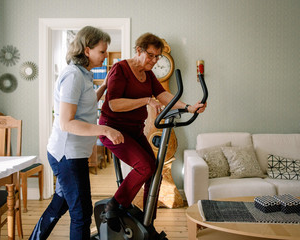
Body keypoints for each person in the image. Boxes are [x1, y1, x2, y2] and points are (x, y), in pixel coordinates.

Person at [98, 32, 206, 232]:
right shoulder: (120, 69)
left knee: (153, 172)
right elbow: (114, 104)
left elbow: (164, 95)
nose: (155, 61)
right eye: (151, 55)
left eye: (157, 57)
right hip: (112, 129)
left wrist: (189, 107)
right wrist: (146, 100)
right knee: (145, 166)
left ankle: (148, 222)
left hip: (135, 130)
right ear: (138, 50)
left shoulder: (148, 74)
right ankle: (112, 206)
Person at [29, 26, 124, 240]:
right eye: (102, 51)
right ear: (87, 50)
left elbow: (86, 105)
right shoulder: (73, 76)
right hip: (67, 156)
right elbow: (67, 123)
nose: (105, 56)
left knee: (59, 205)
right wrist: (106, 129)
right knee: (81, 214)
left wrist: (105, 86)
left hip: (74, 153)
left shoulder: (84, 74)